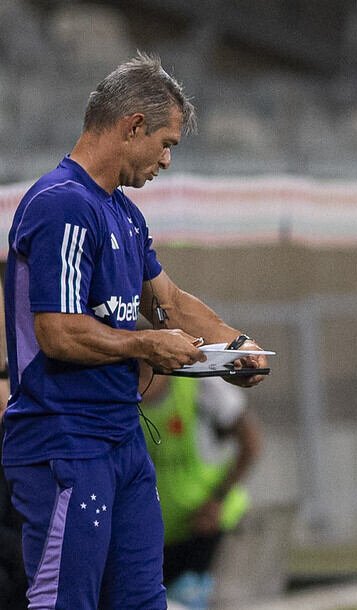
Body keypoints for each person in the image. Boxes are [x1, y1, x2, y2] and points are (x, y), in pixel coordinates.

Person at [2, 52, 269, 610]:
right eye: (166, 143)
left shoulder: (122, 213)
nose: (167, 160)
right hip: (65, 441)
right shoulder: (63, 205)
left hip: (120, 439)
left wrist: (235, 345)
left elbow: (167, 301)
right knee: (63, 602)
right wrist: (146, 344)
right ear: (133, 127)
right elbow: (57, 332)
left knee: (143, 601)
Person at [138, 366, 262, 609]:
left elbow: (251, 442)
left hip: (212, 527)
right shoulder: (119, 398)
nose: (138, 378)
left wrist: (217, 500)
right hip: (160, 536)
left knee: (208, 600)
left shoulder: (199, 387)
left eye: (144, 370)